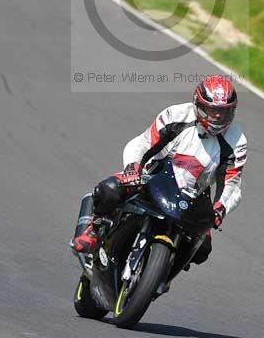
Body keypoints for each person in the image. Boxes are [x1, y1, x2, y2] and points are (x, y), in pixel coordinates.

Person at [71, 75, 247, 267]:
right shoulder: (177, 115)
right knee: (110, 189)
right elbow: (143, 143)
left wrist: (220, 208)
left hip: (192, 199)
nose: (218, 116)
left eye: (224, 111)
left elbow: (231, 183)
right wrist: (133, 168)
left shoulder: (237, 141)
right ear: (198, 104)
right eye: (213, 110)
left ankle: (163, 272)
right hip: (152, 178)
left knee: (202, 249)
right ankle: (94, 228)